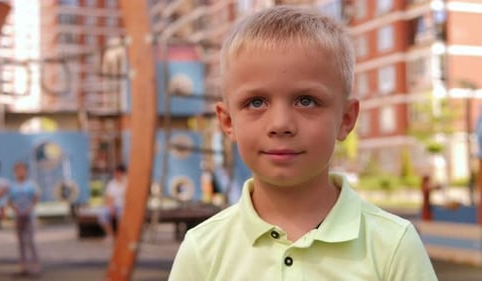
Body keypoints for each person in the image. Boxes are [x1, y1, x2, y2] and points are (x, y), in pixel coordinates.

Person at [169, 6, 438, 280]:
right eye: (256, 102)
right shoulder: (203, 250)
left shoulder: (392, 246)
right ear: (227, 122)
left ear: (346, 119)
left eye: (306, 101)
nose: (280, 124)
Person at [8, 162, 40, 276]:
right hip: (18, 216)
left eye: (22, 170)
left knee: (30, 241)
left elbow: (36, 198)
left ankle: (35, 266)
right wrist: (15, 209)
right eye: (18, 170)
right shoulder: (13, 186)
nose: (20, 172)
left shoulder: (31, 185)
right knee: (21, 242)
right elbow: (10, 200)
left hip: (28, 216)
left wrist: (29, 209)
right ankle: (23, 267)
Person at [98, 164, 127, 239]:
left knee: (122, 217)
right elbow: (108, 198)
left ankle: (121, 236)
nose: (117, 175)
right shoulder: (111, 184)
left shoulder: (127, 183)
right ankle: (110, 235)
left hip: (124, 207)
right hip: (114, 206)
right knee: (103, 216)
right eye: (116, 173)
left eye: (119, 173)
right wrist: (111, 208)